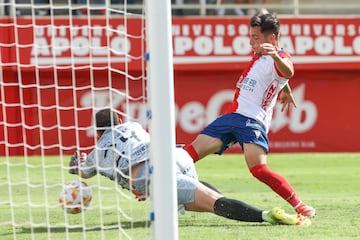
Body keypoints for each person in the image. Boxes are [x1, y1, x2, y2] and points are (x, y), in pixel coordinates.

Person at [68, 108, 310, 226]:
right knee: (202, 197)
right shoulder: (133, 126)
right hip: (175, 155)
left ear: (98, 132)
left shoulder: (97, 152)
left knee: (214, 204)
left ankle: (267, 216)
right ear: (119, 121)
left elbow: (82, 171)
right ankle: (233, 205)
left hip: (150, 176)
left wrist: (75, 163)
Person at [183, 12, 316, 218]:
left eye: (255, 37)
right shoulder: (260, 55)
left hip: (252, 121)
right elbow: (281, 77)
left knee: (258, 170)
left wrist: (275, 59)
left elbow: (287, 71)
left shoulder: (279, 58)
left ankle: (300, 206)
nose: (250, 41)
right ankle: (161, 184)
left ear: (271, 39)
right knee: (189, 154)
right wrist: (286, 89)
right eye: (251, 36)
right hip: (232, 116)